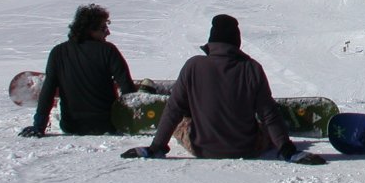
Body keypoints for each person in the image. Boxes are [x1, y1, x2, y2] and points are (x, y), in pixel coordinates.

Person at [120, 14, 324, 164]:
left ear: (211, 41)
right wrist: (287, 150)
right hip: (248, 147)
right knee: (262, 122)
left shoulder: (193, 66)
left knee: (182, 118)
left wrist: (155, 147)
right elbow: (269, 113)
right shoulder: (252, 68)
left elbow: (173, 109)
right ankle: (272, 136)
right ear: (237, 42)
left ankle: (196, 117)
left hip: (201, 147)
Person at [19, 4, 136, 137]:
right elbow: (127, 89)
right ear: (89, 30)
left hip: (71, 126)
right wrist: (132, 123)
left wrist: (39, 125)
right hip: (107, 124)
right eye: (103, 28)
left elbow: (48, 90)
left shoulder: (58, 53)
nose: (108, 32)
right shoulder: (108, 50)